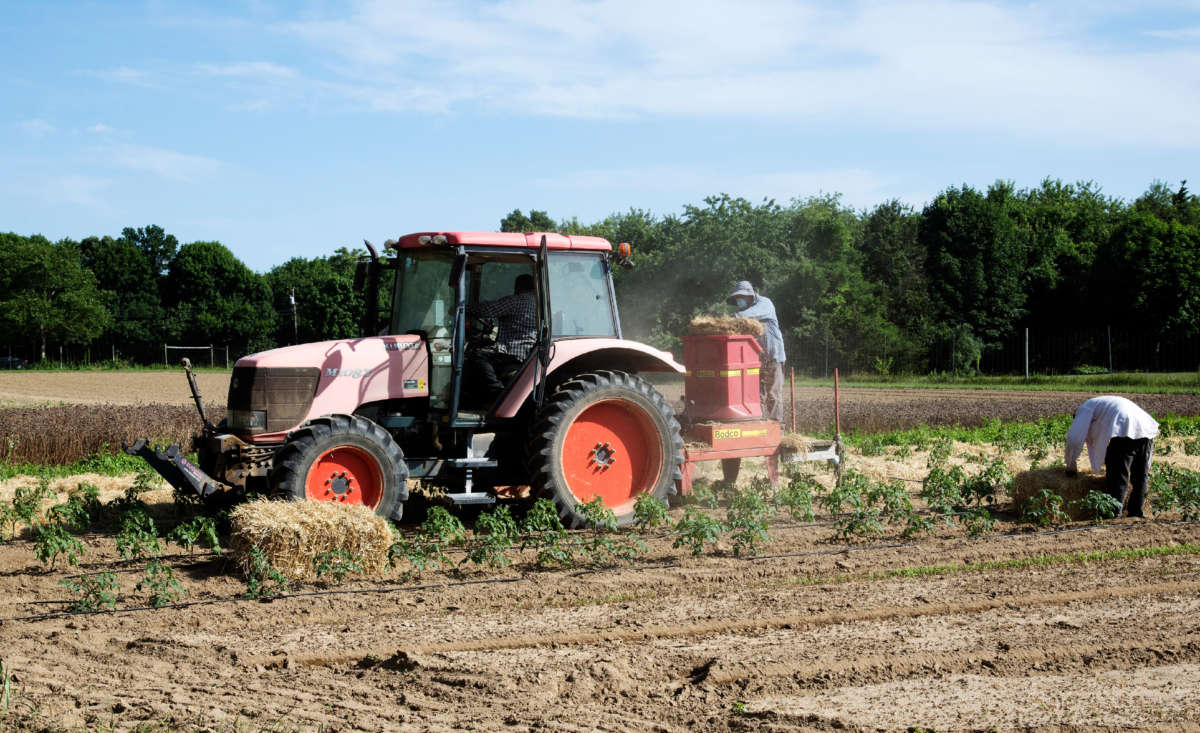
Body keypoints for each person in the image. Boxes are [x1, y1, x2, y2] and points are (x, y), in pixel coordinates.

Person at [1064, 395, 1159, 518]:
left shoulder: (1083, 410)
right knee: (1141, 476)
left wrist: (1070, 466)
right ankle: (1136, 512)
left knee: (1118, 474)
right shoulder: (1098, 404)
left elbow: (1074, 439)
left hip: (1125, 426)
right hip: (1146, 427)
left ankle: (1114, 513)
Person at [466, 273, 537, 402]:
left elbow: (489, 310)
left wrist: (464, 308)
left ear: (518, 287)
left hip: (512, 351)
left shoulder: (517, 301)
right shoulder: (540, 303)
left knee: (477, 355)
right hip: (530, 353)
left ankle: (496, 392)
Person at [727, 280, 786, 423]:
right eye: (736, 298)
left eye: (740, 297)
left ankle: (777, 429)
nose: (738, 300)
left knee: (773, 394)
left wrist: (732, 318)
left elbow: (750, 314)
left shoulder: (765, 304)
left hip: (773, 357)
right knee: (755, 395)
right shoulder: (742, 313)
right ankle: (757, 426)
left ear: (750, 295)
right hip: (755, 361)